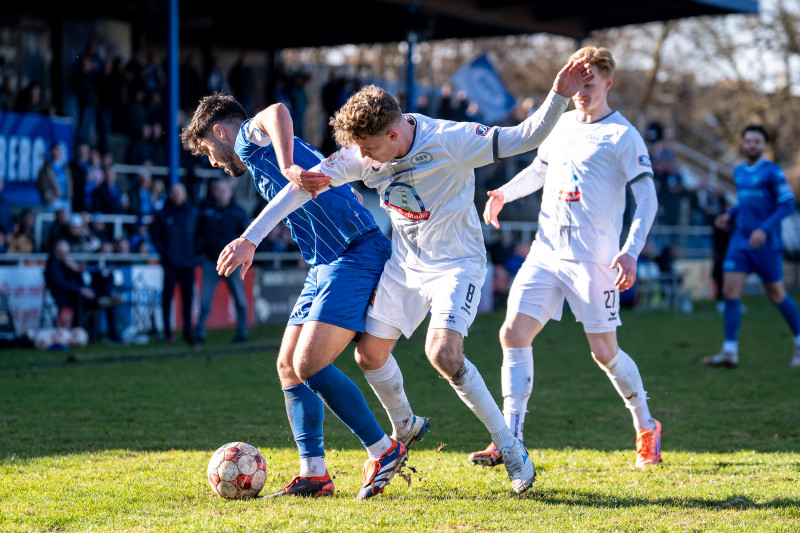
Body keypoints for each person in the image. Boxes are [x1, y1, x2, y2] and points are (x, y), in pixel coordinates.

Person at [217, 59, 593, 494]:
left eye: (369, 148)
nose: (363, 159)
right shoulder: (361, 152)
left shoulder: (451, 139)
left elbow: (525, 136)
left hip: (456, 264)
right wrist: (250, 238)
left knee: (444, 354)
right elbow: (302, 187)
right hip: (404, 265)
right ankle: (403, 429)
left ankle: (511, 448)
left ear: (393, 135)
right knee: (368, 356)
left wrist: (558, 96)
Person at [180, 95, 410, 500]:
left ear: (219, 132)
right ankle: (314, 474)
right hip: (325, 261)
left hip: (353, 251)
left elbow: (277, 111)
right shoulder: (263, 155)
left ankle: (383, 449)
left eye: (207, 151)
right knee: (289, 366)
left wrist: (287, 167)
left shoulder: (249, 140)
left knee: (311, 363)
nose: (213, 162)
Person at [470, 46, 662, 471]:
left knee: (604, 352)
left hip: (594, 260)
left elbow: (647, 199)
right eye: (577, 83)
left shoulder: (623, 135)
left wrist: (630, 251)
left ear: (608, 83)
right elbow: (540, 171)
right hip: (546, 252)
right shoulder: (560, 125)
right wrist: (504, 193)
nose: (581, 92)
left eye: (589, 84)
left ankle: (646, 425)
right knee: (512, 333)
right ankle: (510, 438)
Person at [703, 125, 800, 369]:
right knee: (729, 291)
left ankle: (799, 342)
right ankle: (730, 351)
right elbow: (747, 203)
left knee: (776, 294)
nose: (752, 145)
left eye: (757, 141)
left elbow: (787, 204)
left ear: (764, 145)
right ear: (743, 144)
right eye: (748, 141)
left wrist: (763, 229)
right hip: (740, 241)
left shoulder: (773, 171)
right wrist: (730, 214)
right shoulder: (739, 172)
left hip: (766, 244)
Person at [194, 178, 250, 344]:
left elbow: (248, 236)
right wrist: (200, 250)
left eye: (224, 190)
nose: (220, 193)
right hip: (211, 261)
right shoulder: (205, 209)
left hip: (232, 262)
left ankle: (242, 333)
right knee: (205, 301)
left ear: (230, 192)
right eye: (217, 190)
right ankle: (199, 334)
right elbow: (197, 232)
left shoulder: (238, 212)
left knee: (240, 300)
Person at [151, 182, 197, 344]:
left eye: (180, 192)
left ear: (185, 195)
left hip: (188, 262)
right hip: (170, 263)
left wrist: (195, 252)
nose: (177, 196)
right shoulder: (162, 214)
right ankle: (167, 332)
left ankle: (188, 332)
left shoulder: (192, 213)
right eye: (175, 192)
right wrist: (165, 253)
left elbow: (198, 234)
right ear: (170, 195)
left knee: (187, 298)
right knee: (167, 298)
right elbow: (155, 236)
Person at [36, 143, 73, 212]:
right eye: (54, 150)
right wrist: (49, 197)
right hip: (54, 201)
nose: (56, 152)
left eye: (58, 150)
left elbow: (70, 182)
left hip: (66, 200)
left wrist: (70, 196)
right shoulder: (46, 168)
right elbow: (41, 184)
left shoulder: (65, 167)